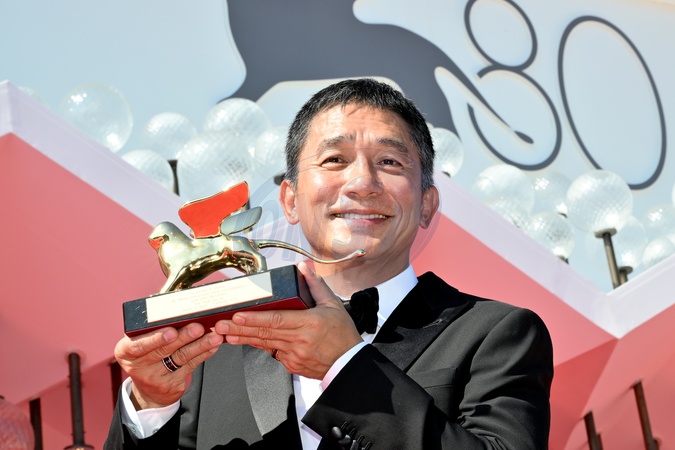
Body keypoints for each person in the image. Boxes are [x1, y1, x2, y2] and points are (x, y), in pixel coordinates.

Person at [105, 78, 553, 449]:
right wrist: (151, 405)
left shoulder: (498, 334)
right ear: (290, 200)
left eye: (390, 162)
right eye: (334, 159)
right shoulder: (215, 347)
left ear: (427, 204)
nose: (362, 182)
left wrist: (345, 365)